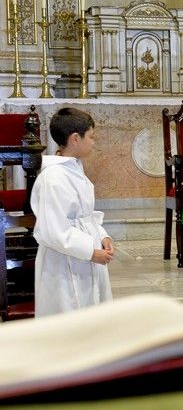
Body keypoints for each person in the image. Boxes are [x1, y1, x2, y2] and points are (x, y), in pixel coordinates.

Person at [30, 108, 115, 317]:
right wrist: (90, 252)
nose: (93, 142)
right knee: (68, 317)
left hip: (84, 255)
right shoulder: (54, 178)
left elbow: (84, 214)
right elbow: (52, 230)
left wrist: (102, 235)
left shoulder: (74, 168)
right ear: (75, 138)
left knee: (92, 314)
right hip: (62, 264)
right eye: (91, 137)